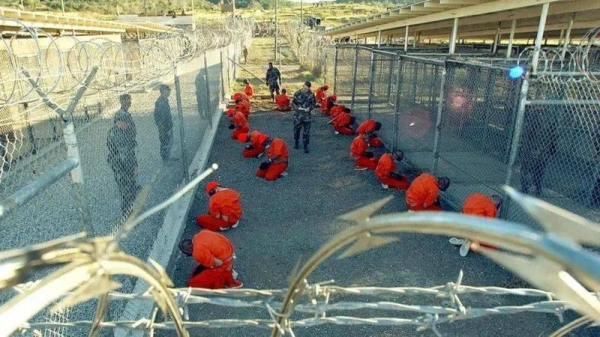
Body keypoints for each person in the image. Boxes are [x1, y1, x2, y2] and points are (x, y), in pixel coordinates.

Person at [107, 108, 139, 217]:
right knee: (126, 190)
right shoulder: (117, 134)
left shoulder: (121, 131)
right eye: (126, 122)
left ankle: (130, 210)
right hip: (122, 166)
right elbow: (124, 154)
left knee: (130, 188)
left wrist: (134, 165)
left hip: (125, 164)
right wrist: (132, 168)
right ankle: (127, 214)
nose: (128, 125)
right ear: (119, 122)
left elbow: (130, 151)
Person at [518, 109, 558, 196]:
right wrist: (552, 148)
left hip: (532, 146)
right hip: (544, 147)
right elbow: (554, 134)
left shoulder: (534, 115)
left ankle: (526, 187)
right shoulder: (551, 116)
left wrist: (523, 144)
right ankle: (537, 188)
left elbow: (528, 131)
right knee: (540, 169)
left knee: (527, 168)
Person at [292, 81, 316, 153]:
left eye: (308, 89)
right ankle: (296, 142)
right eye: (305, 88)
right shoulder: (297, 93)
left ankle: (305, 146)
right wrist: (297, 108)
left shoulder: (311, 94)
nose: (306, 90)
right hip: (298, 116)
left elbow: (313, 104)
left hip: (307, 117)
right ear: (303, 86)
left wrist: (310, 108)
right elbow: (293, 103)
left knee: (306, 132)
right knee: (296, 130)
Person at [153, 85, 174, 162]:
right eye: (168, 90)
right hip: (163, 127)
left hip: (167, 125)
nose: (169, 92)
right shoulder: (159, 102)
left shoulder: (165, 100)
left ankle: (168, 156)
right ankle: (165, 159)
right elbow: (157, 116)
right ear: (164, 91)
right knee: (164, 142)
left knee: (169, 142)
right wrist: (162, 128)